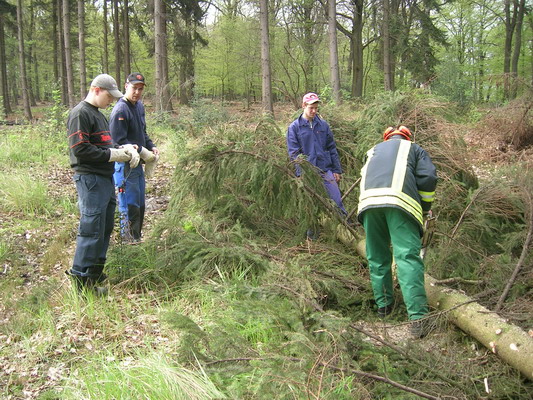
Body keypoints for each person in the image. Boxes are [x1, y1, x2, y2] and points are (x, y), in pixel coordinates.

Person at [357, 125, 437, 338]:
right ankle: (418, 319)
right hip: (400, 204)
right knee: (407, 258)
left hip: (368, 205)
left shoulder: (372, 150)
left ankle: (384, 307)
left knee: (377, 255)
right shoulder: (414, 148)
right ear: (407, 137)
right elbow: (428, 177)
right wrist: (425, 208)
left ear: (386, 138)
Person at [66, 74, 139, 294]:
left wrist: (124, 149)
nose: (111, 100)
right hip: (90, 179)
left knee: (105, 227)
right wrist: (112, 155)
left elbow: (107, 144)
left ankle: (94, 278)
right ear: (96, 90)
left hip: (105, 178)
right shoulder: (80, 113)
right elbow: (80, 149)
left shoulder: (99, 115)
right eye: (109, 96)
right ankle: (81, 285)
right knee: (91, 229)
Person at [286, 93, 347, 238]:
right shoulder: (294, 127)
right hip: (307, 173)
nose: (314, 111)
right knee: (311, 205)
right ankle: (312, 236)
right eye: (311, 108)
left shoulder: (323, 125)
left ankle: (346, 230)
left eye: (316, 108)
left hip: (325, 169)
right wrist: (302, 173)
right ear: (303, 106)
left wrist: (336, 170)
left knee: (336, 200)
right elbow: (294, 153)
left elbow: (331, 148)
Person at [109, 73, 159, 243]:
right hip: (125, 166)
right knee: (128, 206)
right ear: (126, 86)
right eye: (134, 88)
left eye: (140, 89)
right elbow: (116, 142)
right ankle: (128, 242)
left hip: (138, 165)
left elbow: (142, 133)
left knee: (139, 204)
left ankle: (136, 239)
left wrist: (151, 146)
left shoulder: (139, 107)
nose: (137, 92)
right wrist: (132, 148)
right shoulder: (120, 110)